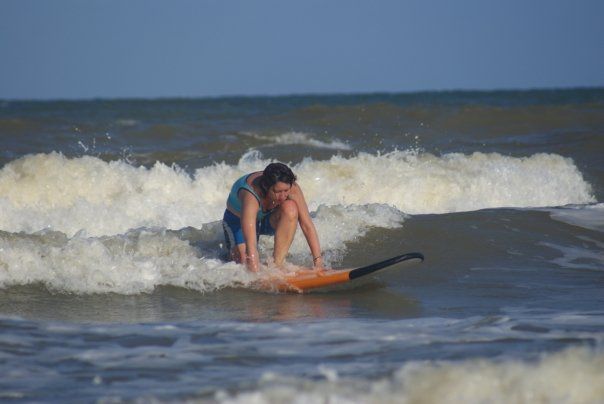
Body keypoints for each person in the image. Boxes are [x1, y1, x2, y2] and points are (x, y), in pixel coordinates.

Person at [222, 162, 323, 272]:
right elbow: (251, 247)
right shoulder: (250, 195)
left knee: (291, 208)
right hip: (237, 222)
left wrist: (318, 263)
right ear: (266, 187)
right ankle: (226, 256)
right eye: (277, 191)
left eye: (286, 190)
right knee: (243, 265)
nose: (283, 196)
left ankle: (277, 265)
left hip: (267, 219)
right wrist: (256, 276)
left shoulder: (291, 187)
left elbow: (307, 225)